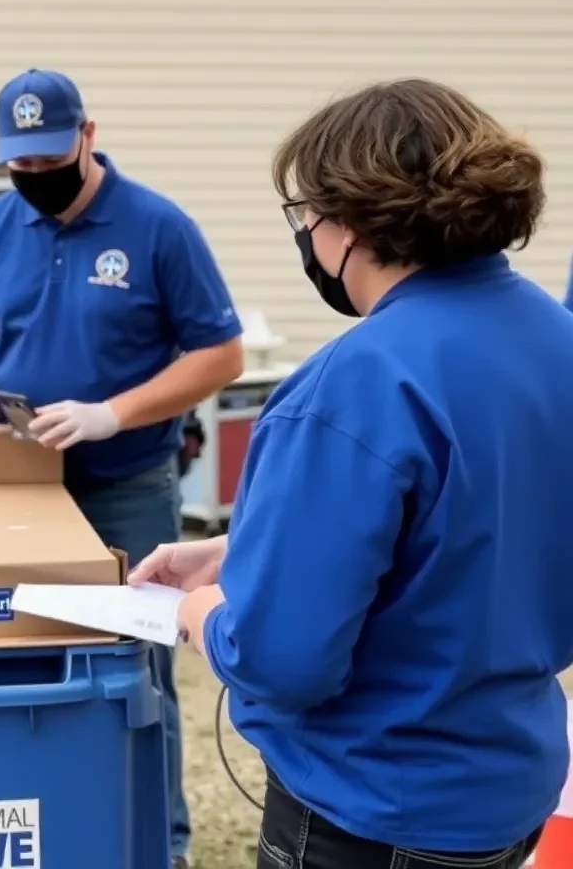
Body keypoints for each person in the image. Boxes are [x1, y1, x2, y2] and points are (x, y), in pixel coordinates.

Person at [131, 78, 573, 869]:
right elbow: (485, 521)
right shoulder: (553, 339)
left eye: (303, 215)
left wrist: (201, 611)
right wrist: (248, 547)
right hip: (511, 783)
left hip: (375, 809)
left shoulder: (354, 386)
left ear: (350, 221)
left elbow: (283, 660)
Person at [0, 67, 244, 868]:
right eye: (20, 165)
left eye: (48, 159)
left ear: (87, 136)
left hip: (128, 482)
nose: (35, 177)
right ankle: (60, 813)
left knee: (137, 661)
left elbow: (220, 353)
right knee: (24, 650)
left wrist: (114, 412)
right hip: (23, 482)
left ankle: (159, 842)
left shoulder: (157, 228)